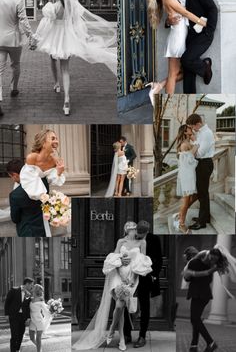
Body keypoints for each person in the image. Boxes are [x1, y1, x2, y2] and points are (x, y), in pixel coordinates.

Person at [34, 0, 117, 115]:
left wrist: (38, 36)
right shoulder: (72, 7)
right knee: (65, 69)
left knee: (52, 57)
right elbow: (78, 24)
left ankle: (56, 84)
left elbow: (47, 23)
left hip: (55, 36)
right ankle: (66, 100)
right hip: (67, 36)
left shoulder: (53, 7)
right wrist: (84, 36)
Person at [72, 222, 152, 351]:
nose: (132, 231)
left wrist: (133, 280)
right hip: (118, 276)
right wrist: (120, 262)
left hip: (131, 278)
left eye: (134, 228)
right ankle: (113, 333)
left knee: (121, 307)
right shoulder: (121, 241)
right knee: (120, 305)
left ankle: (117, 335)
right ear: (126, 230)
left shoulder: (142, 243)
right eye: (130, 229)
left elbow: (141, 264)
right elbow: (112, 259)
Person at [146, 0, 209, 97]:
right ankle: (166, 101)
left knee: (181, 72)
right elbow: (186, 13)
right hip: (177, 39)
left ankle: (158, 86)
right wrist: (205, 24)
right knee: (173, 74)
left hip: (177, 37)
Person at [0, 0, 36, 116]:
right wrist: (31, 36)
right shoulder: (17, 1)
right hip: (14, 40)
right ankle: (14, 88)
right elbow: (24, 21)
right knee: (16, 65)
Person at [124, 220, 163, 348]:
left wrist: (153, 275)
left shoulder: (154, 239)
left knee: (144, 307)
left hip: (145, 277)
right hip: (130, 277)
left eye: (141, 233)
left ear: (147, 231)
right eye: (137, 232)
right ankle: (127, 334)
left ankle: (142, 336)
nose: (138, 235)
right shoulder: (131, 237)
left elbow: (159, 259)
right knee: (126, 305)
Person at [19, 129, 66, 236]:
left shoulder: (54, 160)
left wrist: (59, 172)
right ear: (43, 143)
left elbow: (52, 180)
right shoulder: (32, 157)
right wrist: (44, 198)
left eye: (56, 138)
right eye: (52, 138)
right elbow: (28, 179)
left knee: (45, 222)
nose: (56, 141)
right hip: (28, 192)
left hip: (43, 195)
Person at [185, 247, 229, 352]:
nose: (213, 261)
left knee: (195, 319)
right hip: (204, 295)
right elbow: (208, 280)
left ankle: (210, 342)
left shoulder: (194, 263)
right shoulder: (211, 266)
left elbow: (187, 278)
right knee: (196, 319)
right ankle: (193, 346)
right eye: (213, 259)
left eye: (214, 259)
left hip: (198, 294)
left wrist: (189, 273)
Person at [186, 114, 215, 230]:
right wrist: (194, 145)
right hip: (201, 164)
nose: (192, 130)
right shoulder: (201, 133)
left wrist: (190, 152)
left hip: (204, 163)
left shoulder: (207, 133)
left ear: (198, 123)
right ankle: (205, 217)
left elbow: (200, 152)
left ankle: (202, 222)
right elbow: (196, 146)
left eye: (193, 127)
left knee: (202, 193)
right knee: (203, 192)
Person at [7, 159, 47, 237]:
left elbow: (15, 219)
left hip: (27, 231)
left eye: (11, 177)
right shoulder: (42, 182)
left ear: (15, 175)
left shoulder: (15, 195)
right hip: (43, 228)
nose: (12, 180)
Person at [174, 124, 199, 233]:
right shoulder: (184, 145)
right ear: (185, 132)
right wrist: (196, 143)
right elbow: (190, 160)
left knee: (195, 196)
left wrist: (194, 142)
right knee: (186, 200)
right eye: (189, 129)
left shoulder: (187, 143)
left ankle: (180, 215)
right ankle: (181, 224)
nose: (191, 129)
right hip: (187, 175)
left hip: (189, 174)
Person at [4, 277, 34, 352]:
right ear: (27, 284)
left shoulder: (29, 294)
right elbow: (7, 302)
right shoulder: (14, 290)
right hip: (14, 316)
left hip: (22, 317)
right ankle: (13, 350)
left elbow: (27, 308)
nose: (31, 287)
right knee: (14, 335)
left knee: (21, 334)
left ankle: (17, 349)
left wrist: (28, 318)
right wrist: (6, 314)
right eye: (31, 285)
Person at [29, 284, 52, 352]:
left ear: (36, 290)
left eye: (33, 288)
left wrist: (52, 311)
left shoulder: (41, 300)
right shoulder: (31, 299)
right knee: (31, 337)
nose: (32, 288)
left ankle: (39, 350)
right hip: (32, 320)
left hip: (39, 320)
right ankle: (40, 348)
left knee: (38, 339)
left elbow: (46, 310)